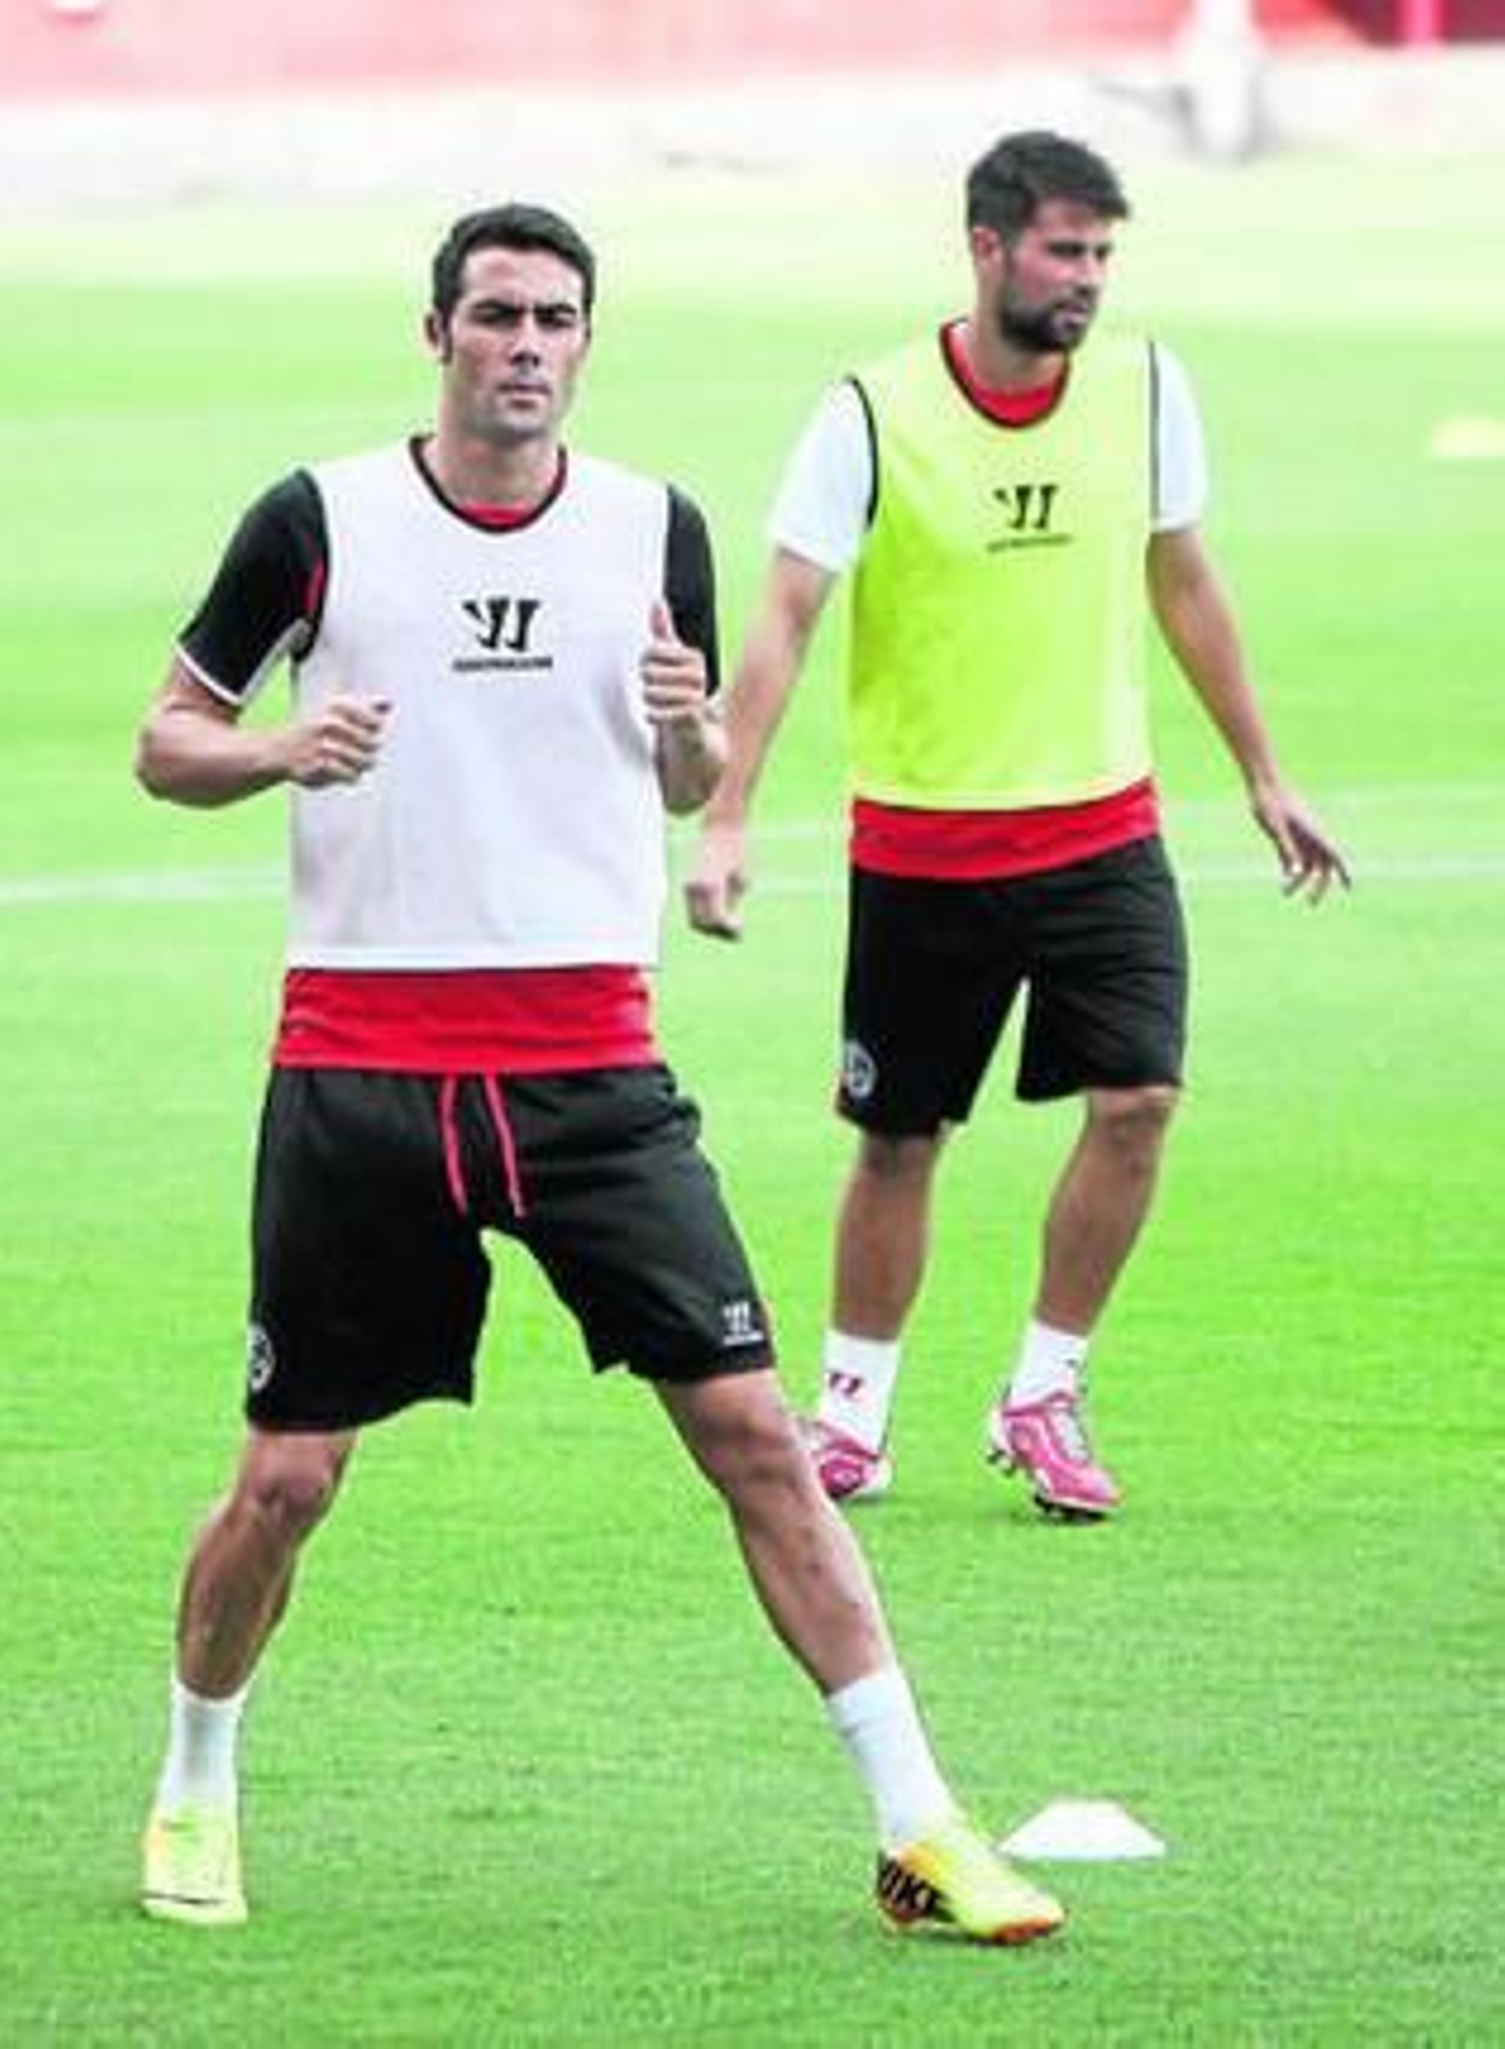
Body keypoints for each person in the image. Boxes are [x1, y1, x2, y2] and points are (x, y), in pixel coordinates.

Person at [133, 203, 1062, 1944]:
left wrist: (693, 726)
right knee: (288, 1480)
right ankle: (194, 1780)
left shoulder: (653, 528)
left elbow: (681, 765)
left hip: (589, 1067)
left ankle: (920, 1823)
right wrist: (276, 749)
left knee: (758, 1439)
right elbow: (162, 740)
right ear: (438, 334)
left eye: (558, 318)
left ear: (586, 339)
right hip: (366, 1061)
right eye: (496, 317)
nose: (528, 346)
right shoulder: (318, 522)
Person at [686, 133, 1349, 1520]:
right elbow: (788, 615)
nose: (1087, 280)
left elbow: (1186, 583)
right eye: (1063, 251)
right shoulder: (868, 411)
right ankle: (853, 1413)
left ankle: (1044, 1389)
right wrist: (728, 813)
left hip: (1102, 831)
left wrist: (1263, 773)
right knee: (900, 1139)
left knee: (1142, 1099)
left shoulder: (1147, 389)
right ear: (986, 249)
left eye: (1103, 254)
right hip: (925, 846)